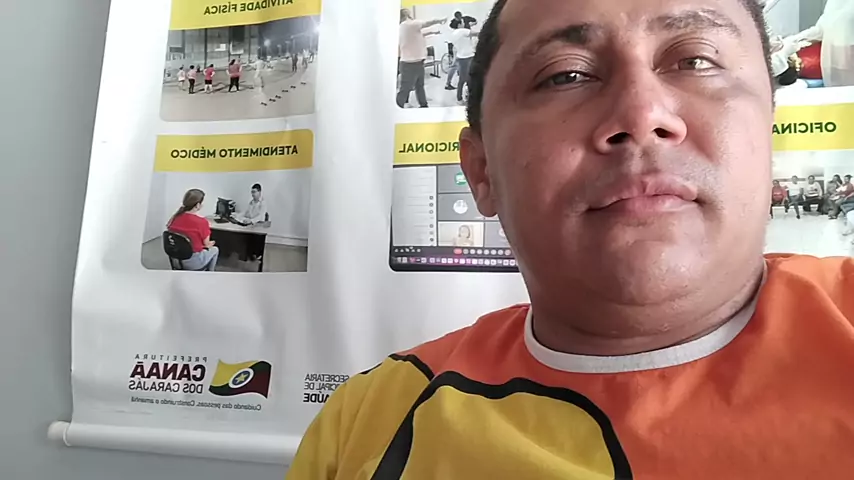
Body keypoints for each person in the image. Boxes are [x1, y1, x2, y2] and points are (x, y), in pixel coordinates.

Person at [288, 0, 854, 478]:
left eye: (695, 61)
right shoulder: (367, 425)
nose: (642, 114)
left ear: (769, 129)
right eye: (566, 74)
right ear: (481, 172)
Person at [397, 9, 446, 108]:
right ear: (406, 14)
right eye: (408, 12)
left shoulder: (406, 27)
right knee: (406, 89)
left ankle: (423, 105)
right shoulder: (409, 24)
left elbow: (421, 33)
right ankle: (398, 106)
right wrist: (440, 20)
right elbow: (428, 22)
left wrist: (433, 32)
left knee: (419, 86)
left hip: (416, 62)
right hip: (410, 64)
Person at [166, 189, 218, 271]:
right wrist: (211, 243)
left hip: (176, 260)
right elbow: (206, 244)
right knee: (215, 249)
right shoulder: (202, 222)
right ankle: (210, 273)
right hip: (193, 262)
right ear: (198, 205)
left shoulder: (174, 218)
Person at [449, 18, 478, 105]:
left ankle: (464, 97)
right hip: (467, 57)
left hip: (461, 57)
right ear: (459, 25)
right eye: (462, 22)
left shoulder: (453, 34)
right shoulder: (462, 31)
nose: (464, 23)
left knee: (464, 79)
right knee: (465, 79)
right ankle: (460, 98)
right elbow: (476, 33)